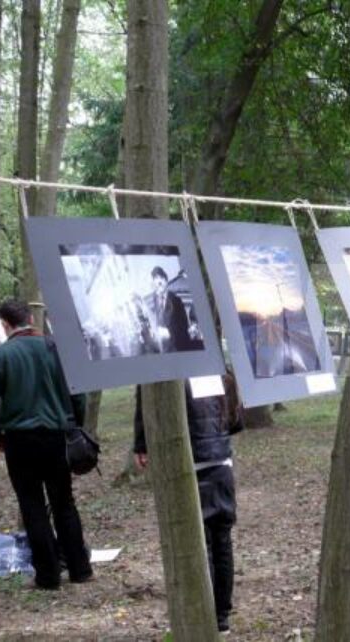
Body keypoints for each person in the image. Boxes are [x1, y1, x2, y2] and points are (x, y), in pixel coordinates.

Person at [0, 300, 92, 589]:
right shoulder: (57, 349)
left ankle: (48, 575)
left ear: (5, 325)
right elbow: (78, 395)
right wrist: (75, 426)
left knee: (32, 505)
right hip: (57, 436)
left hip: (19, 441)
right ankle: (80, 569)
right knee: (64, 502)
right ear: (31, 319)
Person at [133, 375, 243, 633]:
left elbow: (145, 405)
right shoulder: (219, 368)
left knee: (203, 545)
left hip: (188, 465)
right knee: (221, 542)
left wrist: (141, 444)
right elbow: (235, 421)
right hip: (221, 464)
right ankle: (221, 617)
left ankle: (207, 616)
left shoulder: (162, 369)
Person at [144, 266, 193, 353]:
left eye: (161, 279)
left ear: (166, 281)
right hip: (163, 349)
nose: (159, 282)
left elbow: (184, 327)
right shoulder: (153, 300)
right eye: (156, 279)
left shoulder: (176, 300)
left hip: (176, 349)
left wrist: (169, 333)